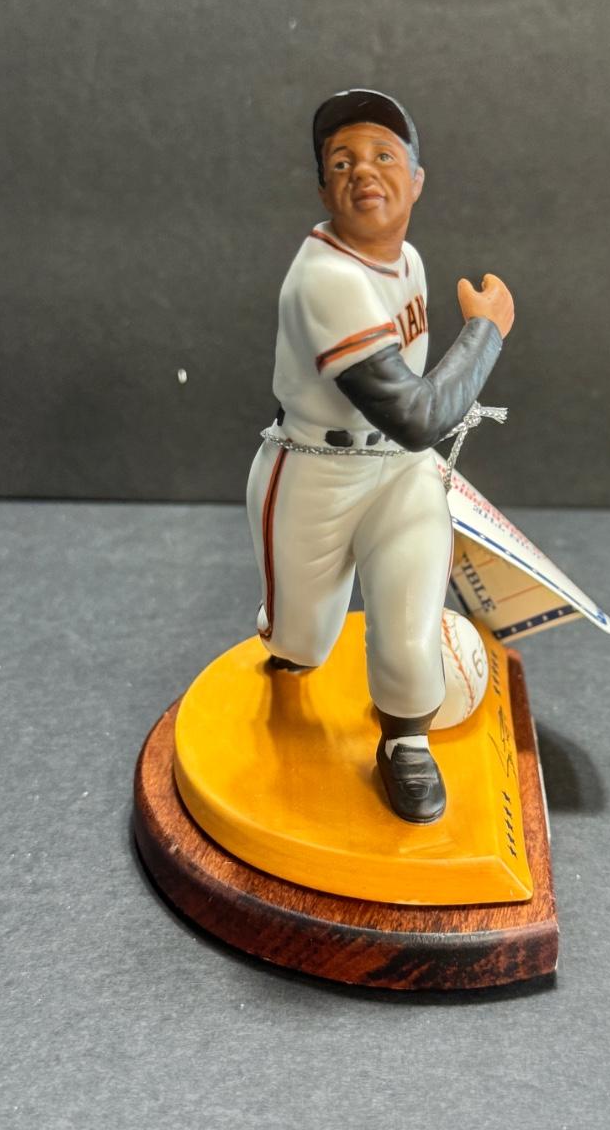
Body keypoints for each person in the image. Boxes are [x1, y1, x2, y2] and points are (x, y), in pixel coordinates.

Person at [246, 89, 514, 824]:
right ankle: (289, 634)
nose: (363, 171)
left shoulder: (410, 260)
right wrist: (486, 333)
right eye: (341, 162)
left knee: (408, 631)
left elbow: (410, 429)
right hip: (315, 472)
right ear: (323, 189)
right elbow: (417, 414)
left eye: (384, 156)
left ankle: (405, 741)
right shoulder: (325, 278)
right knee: (300, 644)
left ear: (416, 180)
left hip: (397, 473)